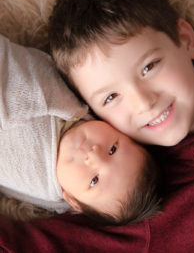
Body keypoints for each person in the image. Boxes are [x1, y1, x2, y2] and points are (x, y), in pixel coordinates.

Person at [48, 0, 194, 188]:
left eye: (148, 67)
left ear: (185, 40)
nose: (144, 103)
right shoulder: (129, 193)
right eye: (111, 97)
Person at [0, 33, 161, 226]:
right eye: (113, 149)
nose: (94, 156)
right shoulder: (77, 103)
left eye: (94, 180)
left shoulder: (41, 181)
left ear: (72, 201)